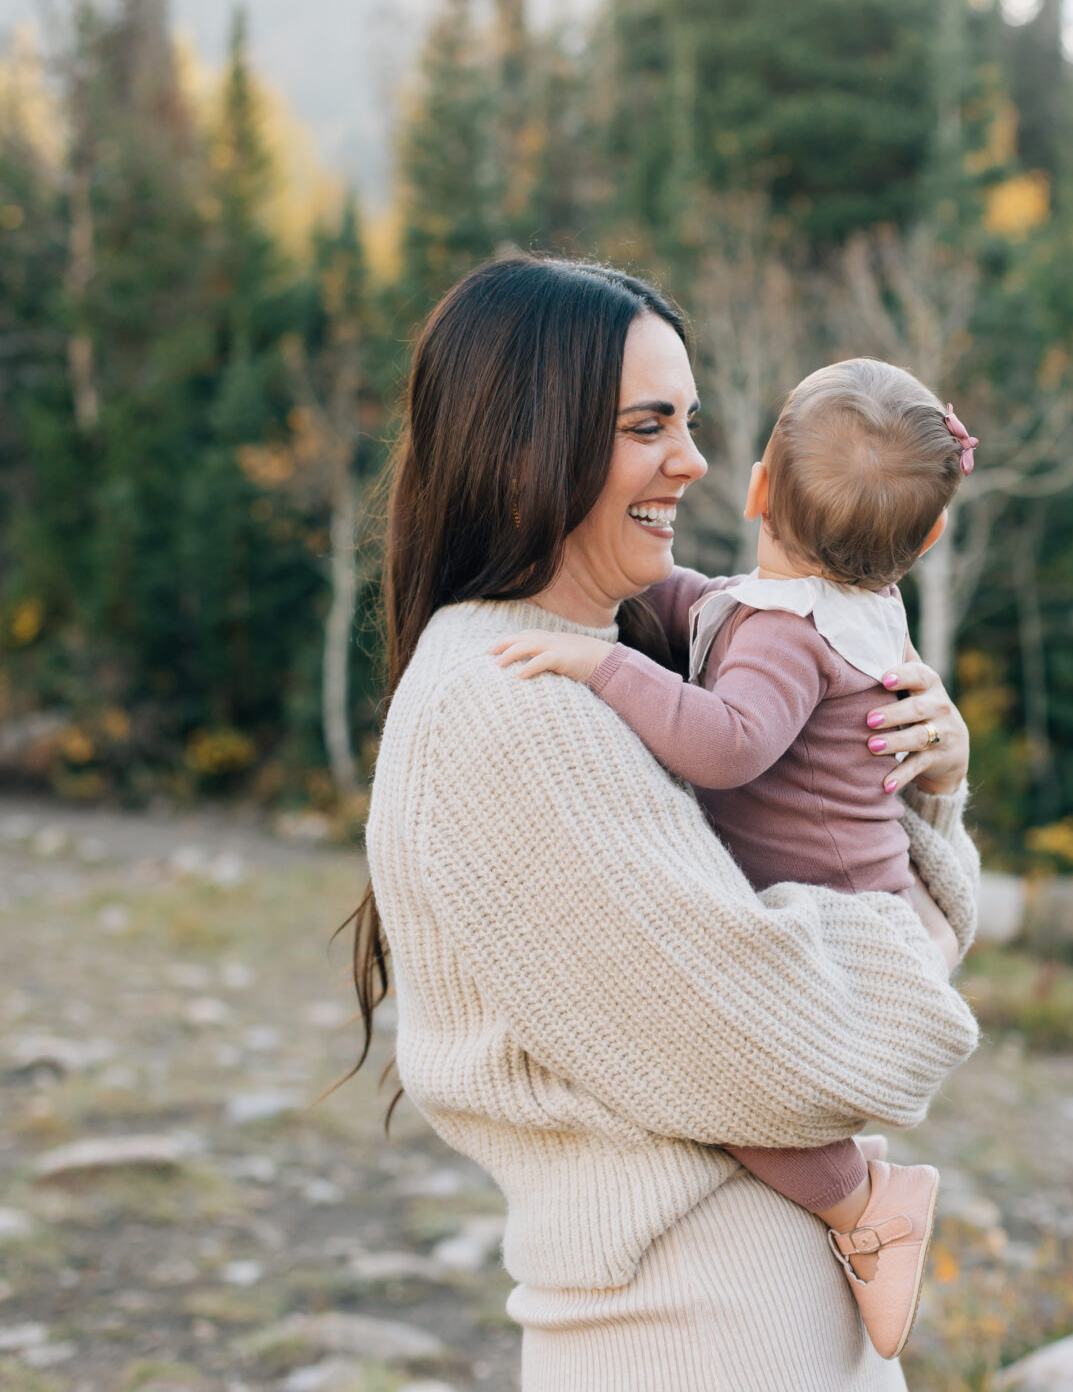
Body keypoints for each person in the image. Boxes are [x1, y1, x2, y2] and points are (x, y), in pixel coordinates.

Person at [351, 256, 980, 1392]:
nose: (692, 460)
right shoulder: (514, 706)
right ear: (528, 445)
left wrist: (928, 769)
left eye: (689, 422)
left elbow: (800, 932)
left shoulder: (620, 654)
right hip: (691, 1326)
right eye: (650, 424)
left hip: (740, 1314)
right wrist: (925, 941)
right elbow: (800, 1046)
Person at [491, 357, 978, 1359]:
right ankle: (859, 1193)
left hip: (833, 922)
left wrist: (603, 658)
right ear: (927, 537)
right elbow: (691, 604)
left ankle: (865, 1202)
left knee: (725, 1072)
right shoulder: (830, 609)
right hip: (862, 888)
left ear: (757, 486)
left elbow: (726, 740)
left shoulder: (786, 636)